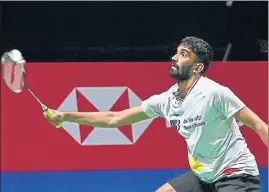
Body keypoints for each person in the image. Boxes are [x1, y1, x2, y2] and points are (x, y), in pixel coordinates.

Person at [44, 36, 268, 192]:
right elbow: (115, 118)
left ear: (198, 67)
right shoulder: (166, 100)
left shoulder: (215, 93)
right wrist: (65, 116)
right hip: (204, 176)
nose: (174, 57)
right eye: (176, 52)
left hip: (236, 175)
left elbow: (258, 125)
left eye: (183, 54)